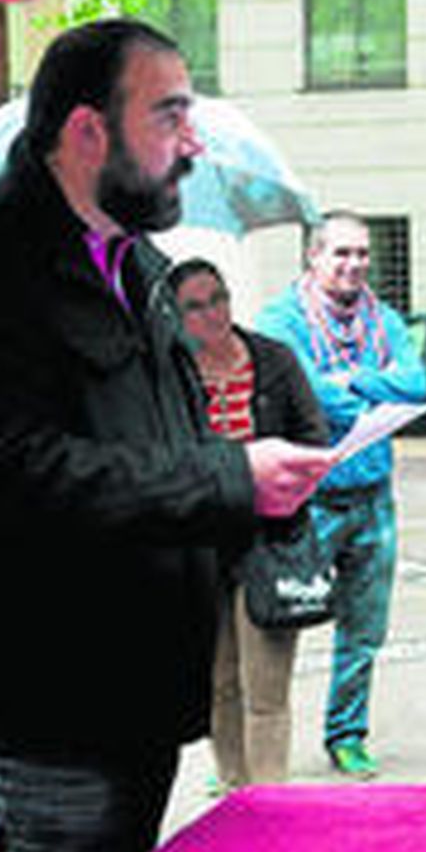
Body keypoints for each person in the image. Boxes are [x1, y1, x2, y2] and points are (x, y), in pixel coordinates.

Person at [0, 19, 333, 852]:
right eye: (168, 114)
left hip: (120, 714)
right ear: (87, 131)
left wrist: (258, 489)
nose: (193, 142)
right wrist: (228, 478)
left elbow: (150, 453)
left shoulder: (139, 269)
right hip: (29, 729)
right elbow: (12, 479)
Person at [257, 210, 426, 778]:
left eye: (362, 254)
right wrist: (371, 391)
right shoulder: (282, 320)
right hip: (305, 501)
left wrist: (352, 380)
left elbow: (417, 384)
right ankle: (248, 745)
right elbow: (309, 395)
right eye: (342, 254)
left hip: (373, 496)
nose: (355, 264)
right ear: (314, 256)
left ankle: (346, 734)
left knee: (364, 629)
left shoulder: (384, 320)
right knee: (275, 624)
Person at [171, 257, 329, 790]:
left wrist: (284, 481)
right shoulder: (172, 371)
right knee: (218, 684)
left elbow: (314, 438)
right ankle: (234, 793)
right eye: (194, 305)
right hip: (200, 544)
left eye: (218, 298)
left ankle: (269, 802)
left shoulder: (274, 359)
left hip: (269, 542)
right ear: (175, 315)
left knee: (265, 689)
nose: (211, 312)